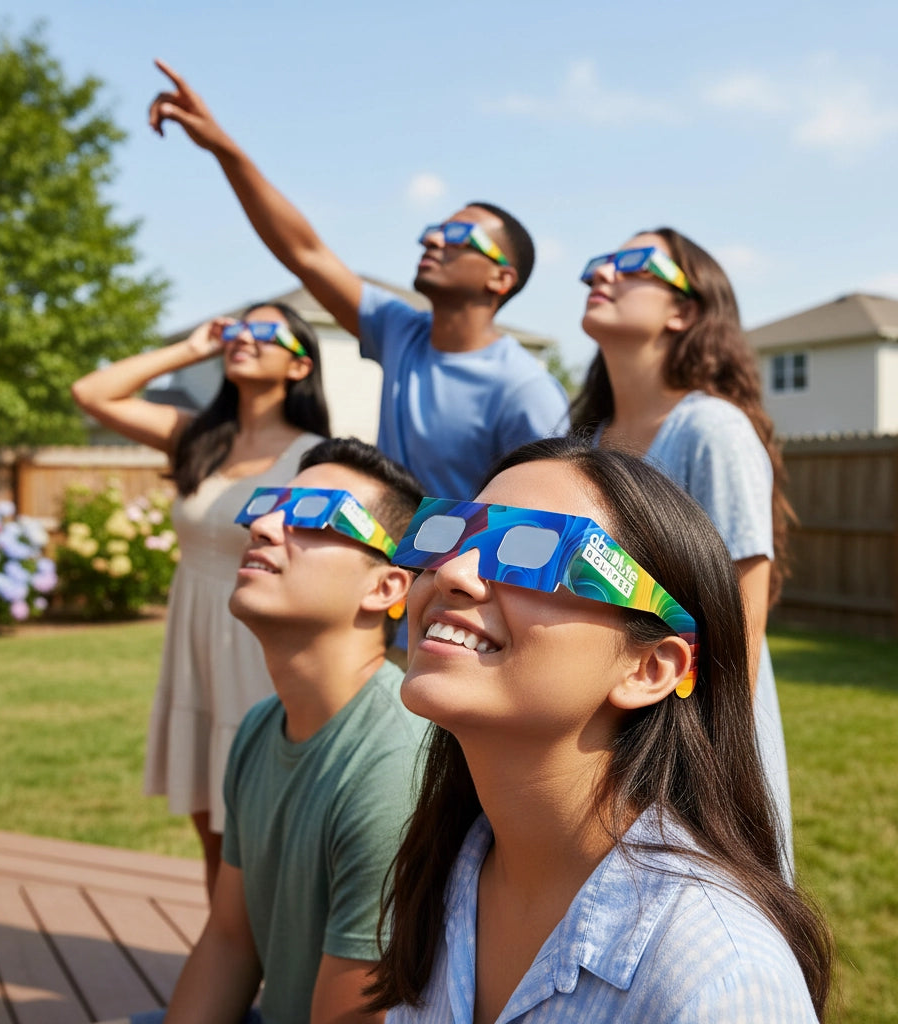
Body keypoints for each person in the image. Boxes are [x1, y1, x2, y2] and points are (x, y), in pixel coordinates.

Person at [368, 437, 833, 1022]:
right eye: (449, 536)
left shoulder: (719, 977)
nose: (454, 573)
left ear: (649, 668)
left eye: (533, 551)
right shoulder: (439, 878)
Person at [147, 60, 569, 500]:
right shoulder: (400, 333)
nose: (435, 240)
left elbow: (545, 512)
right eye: (433, 231)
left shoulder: (524, 389)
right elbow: (305, 253)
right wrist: (223, 149)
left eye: (460, 236)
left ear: (501, 278)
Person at [153, 436, 427, 1024]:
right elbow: (230, 942)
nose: (265, 527)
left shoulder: (392, 771)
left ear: (386, 588)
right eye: (265, 506)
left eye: (314, 514)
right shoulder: (260, 727)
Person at [71, 302, 329, 897]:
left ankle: (270, 962)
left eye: (266, 331)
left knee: (257, 821)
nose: (245, 337)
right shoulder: (198, 437)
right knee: (206, 820)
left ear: (299, 366)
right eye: (238, 328)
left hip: (258, 643)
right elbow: (92, 392)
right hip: (191, 640)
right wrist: (192, 349)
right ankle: (225, 960)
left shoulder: (320, 456)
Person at [570, 228, 796, 873]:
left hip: (688, 740)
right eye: (597, 263)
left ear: (684, 312)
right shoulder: (582, 443)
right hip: (600, 724)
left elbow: (741, 614)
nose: (602, 275)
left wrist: (709, 770)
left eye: (633, 264)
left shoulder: (711, 428)